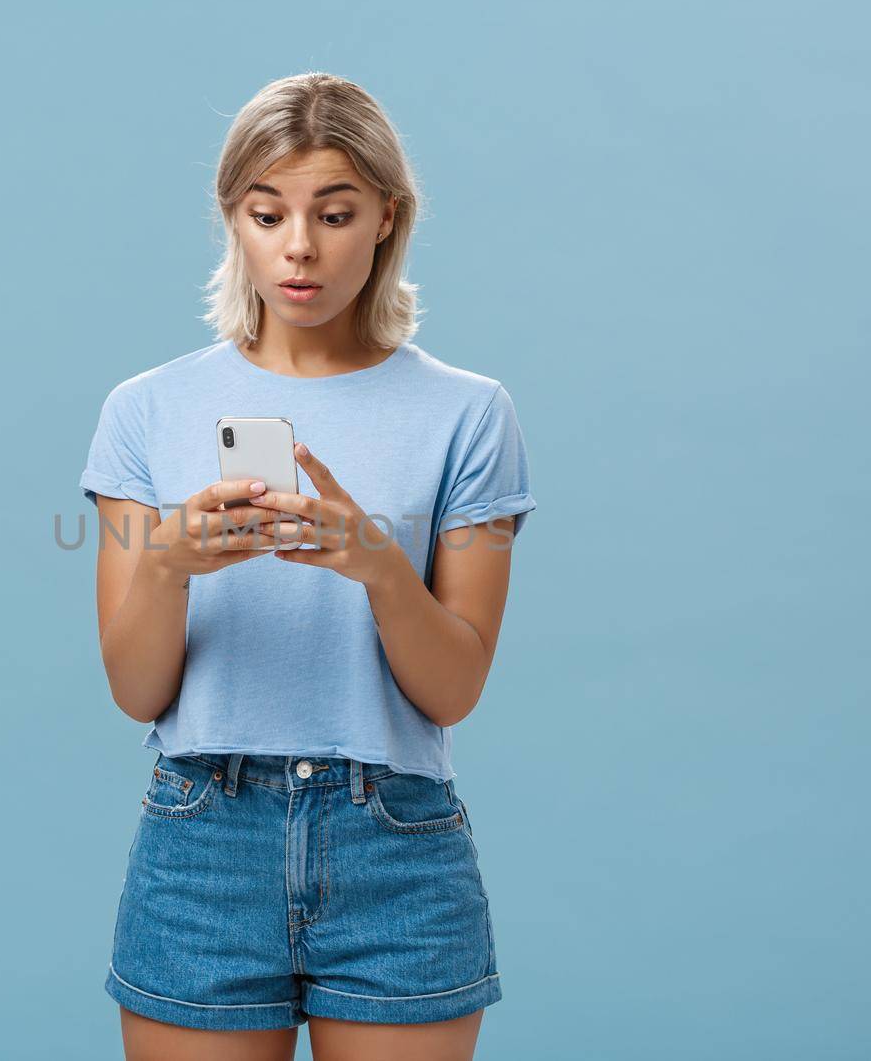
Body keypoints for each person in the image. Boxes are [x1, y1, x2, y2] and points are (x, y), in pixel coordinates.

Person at [79, 71, 537, 1061]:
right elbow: (135, 688)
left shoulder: (469, 413)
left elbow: (452, 687)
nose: (298, 246)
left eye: (333, 213)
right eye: (266, 212)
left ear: (385, 218)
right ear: (231, 220)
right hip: (203, 838)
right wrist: (165, 565)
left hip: (395, 845)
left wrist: (377, 565)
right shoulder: (144, 411)